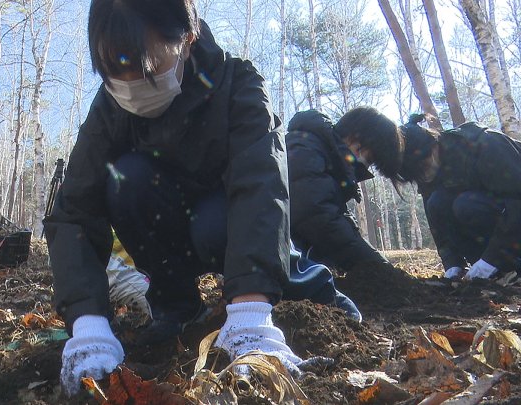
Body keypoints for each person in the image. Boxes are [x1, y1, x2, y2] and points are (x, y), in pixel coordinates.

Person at [44, 0, 314, 396]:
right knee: (126, 180)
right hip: (161, 224)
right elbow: (73, 211)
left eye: (146, 68)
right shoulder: (110, 108)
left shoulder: (237, 83)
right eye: (114, 71)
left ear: (187, 40)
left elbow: (261, 185)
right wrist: (87, 323)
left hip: (226, 225)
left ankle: (289, 290)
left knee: (214, 224)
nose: (130, 86)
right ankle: (177, 306)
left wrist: (252, 310)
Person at [395, 114, 521, 280]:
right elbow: (438, 222)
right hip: (497, 240)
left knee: (466, 205)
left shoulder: (484, 143)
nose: (424, 176)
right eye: (417, 175)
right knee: (437, 202)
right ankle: (491, 272)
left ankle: (507, 265)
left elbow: (517, 203)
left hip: (514, 226)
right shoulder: (429, 175)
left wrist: (492, 260)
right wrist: (452, 264)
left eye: (424, 167)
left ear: (433, 146)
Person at [285, 108, 404, 274]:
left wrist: (379, 264)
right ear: (354, 140)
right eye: (369, 159)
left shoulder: (327, 159)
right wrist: (377, 269)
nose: (365, 166)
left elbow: (338, 218)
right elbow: (319, 217)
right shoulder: (305, 149)